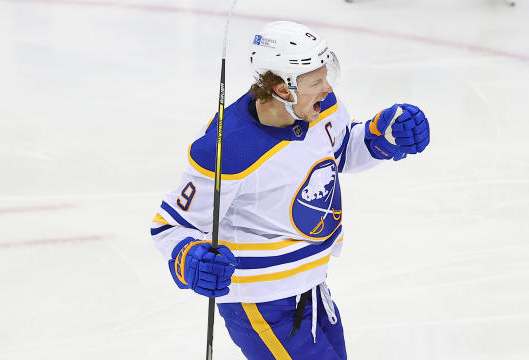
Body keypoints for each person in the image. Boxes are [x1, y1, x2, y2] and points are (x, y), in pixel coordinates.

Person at [151, 21, 430, 360]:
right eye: (316, 82)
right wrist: (189, 258)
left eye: (327, 75)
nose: (327, 88)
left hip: (310, 286)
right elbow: (170, 225)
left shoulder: (322, 109)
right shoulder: (230, 150)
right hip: (259, 300)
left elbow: (338, 154)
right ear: (283, 89)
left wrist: (381, 137)